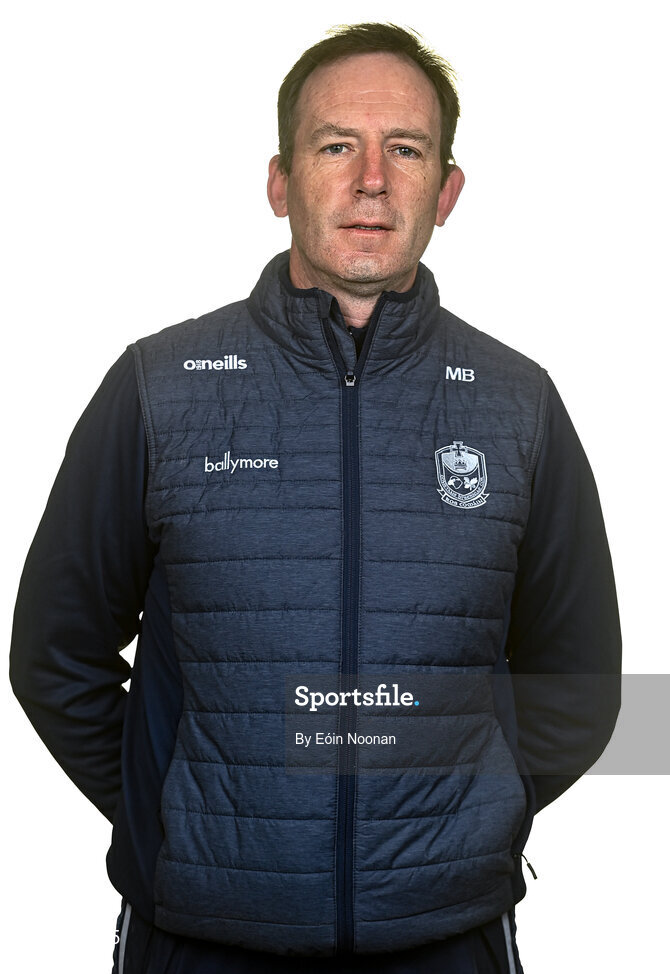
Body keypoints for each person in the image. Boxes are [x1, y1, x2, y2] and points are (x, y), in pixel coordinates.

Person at [9, 21, 621, 974]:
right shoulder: (159, 387)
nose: (371, 178)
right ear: (280, 182)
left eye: (406, 149)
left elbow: (580, 681)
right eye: (337, 145)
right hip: (201, 940)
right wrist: (174, 811)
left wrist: (466, 810)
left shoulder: (519, 404)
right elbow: (55, 654)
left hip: (445, 939)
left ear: (447, 191)